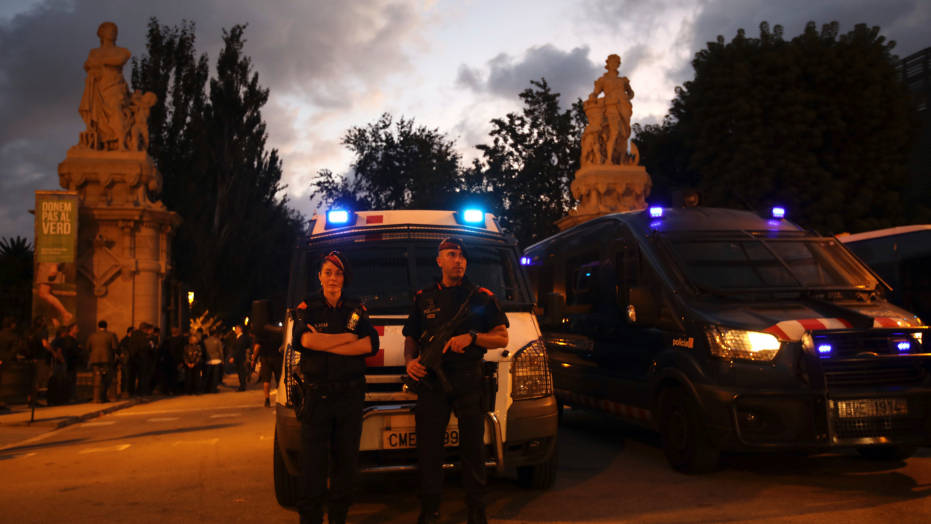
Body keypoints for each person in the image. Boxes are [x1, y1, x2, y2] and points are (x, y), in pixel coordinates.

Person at [403, 238, 509, 524]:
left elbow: (502, 336)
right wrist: (409, 362)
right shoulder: (423, 297)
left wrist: (473, 337)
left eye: (462, 255)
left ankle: (477, 509)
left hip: (468, 381)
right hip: (431, 383)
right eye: (451, 254)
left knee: (473, 450)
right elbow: (411, 336)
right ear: (439, 260)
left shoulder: (482, 297)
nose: (458, 260)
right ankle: (430, 510)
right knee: (428, 450)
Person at [292, 251, 380, 524]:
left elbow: (369, 345)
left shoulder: (356, 309)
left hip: (349, 398)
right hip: (317, 398)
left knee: (345, 468)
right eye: (328, 272)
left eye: (338, 273)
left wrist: (326, 343)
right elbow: (305, 342)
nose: (333, 278)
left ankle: (338, 519)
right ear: (319, 276)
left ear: (345, 278)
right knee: (312, 469)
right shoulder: (307, 308)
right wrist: (346, 339)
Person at [86, 320, 119, 403]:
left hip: (95, 359)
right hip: (107, 359)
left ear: (98, 327)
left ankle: (97, 397)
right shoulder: (111, 335)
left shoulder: (92, 335)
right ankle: (104, 395)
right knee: (108, 377)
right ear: (106, 326)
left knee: (97, 375)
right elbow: (115, 347)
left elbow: (87, 348)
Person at [252, 326, 283, 408]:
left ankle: (267, 400)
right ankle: (281, 398)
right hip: (278, 357)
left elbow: (257, 347)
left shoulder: (262, 333)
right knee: (280, 379)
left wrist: (254, 359)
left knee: (266, 380)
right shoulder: (279, 331)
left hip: (265, 358)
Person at [0, 317, 20, 411]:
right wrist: (7, 358)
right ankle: (2, 402)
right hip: (9, 362)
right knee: (7, 383)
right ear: (12, 324)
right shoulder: (14, 336)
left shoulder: (1, 334)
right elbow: (15, 350)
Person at [61, 324, 82, 402]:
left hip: (73, 362)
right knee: (69, 379)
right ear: (71, 329)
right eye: (76, 328)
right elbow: (70, 348)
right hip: (69, 362)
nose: (78, 330)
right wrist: (78, 347)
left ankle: (72, 396)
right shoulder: (68, 339)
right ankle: (69, 396)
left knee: (73, 380)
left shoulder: (73, 339)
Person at [231, 324, 251, 392]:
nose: (235, 331)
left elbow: (238, 348)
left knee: (241, 372)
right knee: (240, 372)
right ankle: (242, 385)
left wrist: (233, 357)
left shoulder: (241, 338)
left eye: (236, 329)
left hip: (240, 358)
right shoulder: (239, 338)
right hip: (239, 358)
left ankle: (242, 386)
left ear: (240, 329)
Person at [118, 326, 132, 398]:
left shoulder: (129, 339)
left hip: (130, 361)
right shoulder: (125, 340)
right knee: (125, 377)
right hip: (126, 361)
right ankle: (125, 391)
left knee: (128, 377)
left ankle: (128, 391)